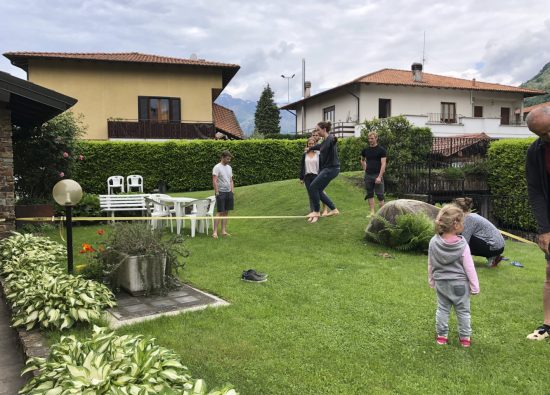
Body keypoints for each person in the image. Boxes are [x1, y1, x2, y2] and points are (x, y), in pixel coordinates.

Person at [428, 204, 479, 347]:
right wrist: (475, 286)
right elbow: (469, 267)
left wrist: (431, 279)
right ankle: (465, 339)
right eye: (462, 222)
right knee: (463, 311)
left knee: (443, 309)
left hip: (441, 284)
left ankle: (441, 337)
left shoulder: (433, 242)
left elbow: (431, 263)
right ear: (456, 224)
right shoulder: (462, 245)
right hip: (460, 285)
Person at [525, 105, 550, 340]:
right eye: (542, 134)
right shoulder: (535, 152)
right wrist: (544, 229)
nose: (548, 137)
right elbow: (536, 192)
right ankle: (547, 325)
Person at [452, 197, 505, 267]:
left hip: (493, 247)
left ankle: (463, 261)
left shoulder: (468, 219)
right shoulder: (471, 216)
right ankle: (492, 258)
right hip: (499, 247)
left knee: (462, 239)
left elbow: (464, 242)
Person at [306, 121, 340, 223]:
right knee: (319, 190)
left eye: (318, 130)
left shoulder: (330, 139)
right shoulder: (324, 141)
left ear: (324, 129)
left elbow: (333, 140)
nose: (316, 131)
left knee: (313, 187)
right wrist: (310, 148)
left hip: (331, 169)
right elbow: (318, 147)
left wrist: (335, 139)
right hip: (329, 169)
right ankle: (334, 209)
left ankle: (316, 211)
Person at [299, 137, 328, 219]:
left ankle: (317, 213)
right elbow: (302, 167)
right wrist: (301, 178)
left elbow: (322, 166)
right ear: (307, 144)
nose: (311, 145)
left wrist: (322, 176)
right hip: (307, 177)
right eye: (309, 144)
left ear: (315, 144)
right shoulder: (304, 154)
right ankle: (312, 213)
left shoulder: (318, 154)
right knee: (311, 195)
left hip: (316, 176)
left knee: (317, 194)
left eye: (312, 144)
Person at [360, 131, 387, 216]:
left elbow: (383, 164)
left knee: (380, 195)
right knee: (370, 194)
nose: (370, 140)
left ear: (376, 138)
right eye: (369, 138)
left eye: (372, 138)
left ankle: (382, 214)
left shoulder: (381, 150)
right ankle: (372, 212)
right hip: (368, 175)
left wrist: (379, 176)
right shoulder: (365, 150)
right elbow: (362, 160)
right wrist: (365, 169)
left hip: (377, 175)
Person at [212, 150, 234, 238]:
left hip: (229, 192)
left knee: (226, 212)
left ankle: (223, 231)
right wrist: (217, 192)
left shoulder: (229, 167)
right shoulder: (217, 167)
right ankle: (214, 232)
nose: (229, 160)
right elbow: (214, 180)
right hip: (220, 192)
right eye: (227, 159)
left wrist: (232, 191)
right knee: (219, 212)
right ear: (223, 157)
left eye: (229, 159)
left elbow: (231, 180)